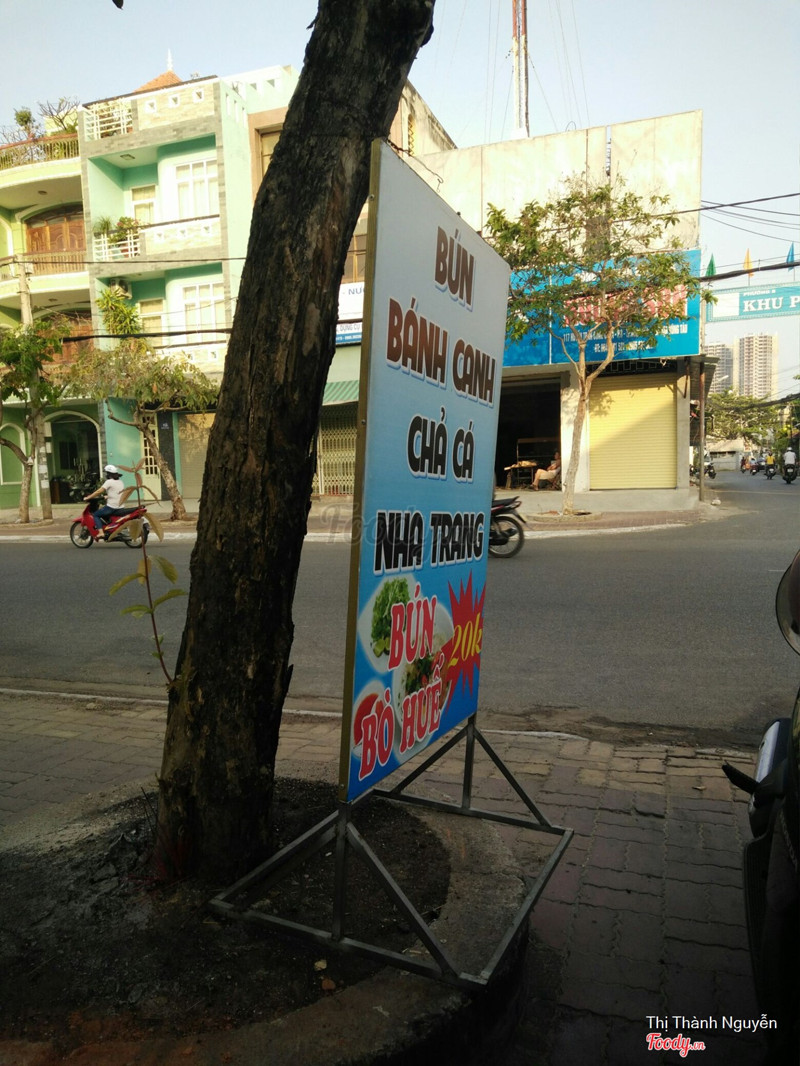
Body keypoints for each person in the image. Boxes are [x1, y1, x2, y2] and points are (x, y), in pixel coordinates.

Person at [84, 464, 127, 532]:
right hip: (121, 507)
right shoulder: (120, 482)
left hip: (112, 507)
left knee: (96, 515)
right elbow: (116, 492)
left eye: (106, 473)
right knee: (104, 513)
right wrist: (108, 496)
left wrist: (88, 497)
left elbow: (99, 491)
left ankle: (101, 532)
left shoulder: (109, 482)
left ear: (109, 474)